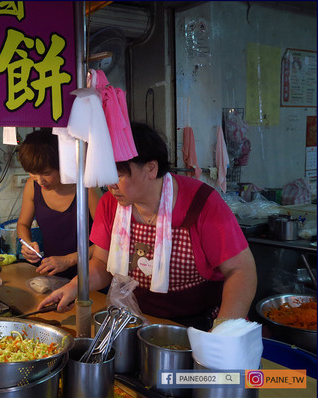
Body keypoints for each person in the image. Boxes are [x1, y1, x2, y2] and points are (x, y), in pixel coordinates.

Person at [39, 122, 257, 331]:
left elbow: (241, 271)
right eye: (107, 174)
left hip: (200, 322)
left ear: (151, 168)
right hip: (138, 319)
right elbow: (101, 264)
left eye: (119, 175)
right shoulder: (110, 204)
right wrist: (73, 287)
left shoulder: (201, 202)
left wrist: (222, 332)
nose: (110, 184)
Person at [16, 129, 100, 279]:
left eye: (47, 173)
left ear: (63, 165)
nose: (40, 181)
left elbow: (108, 242)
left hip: (91, 276)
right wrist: (27, 243)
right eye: (33, 173)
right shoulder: (32, 186)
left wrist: (68, 260)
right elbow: (22, 224)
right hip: (52, 273)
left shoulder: (86, 188)